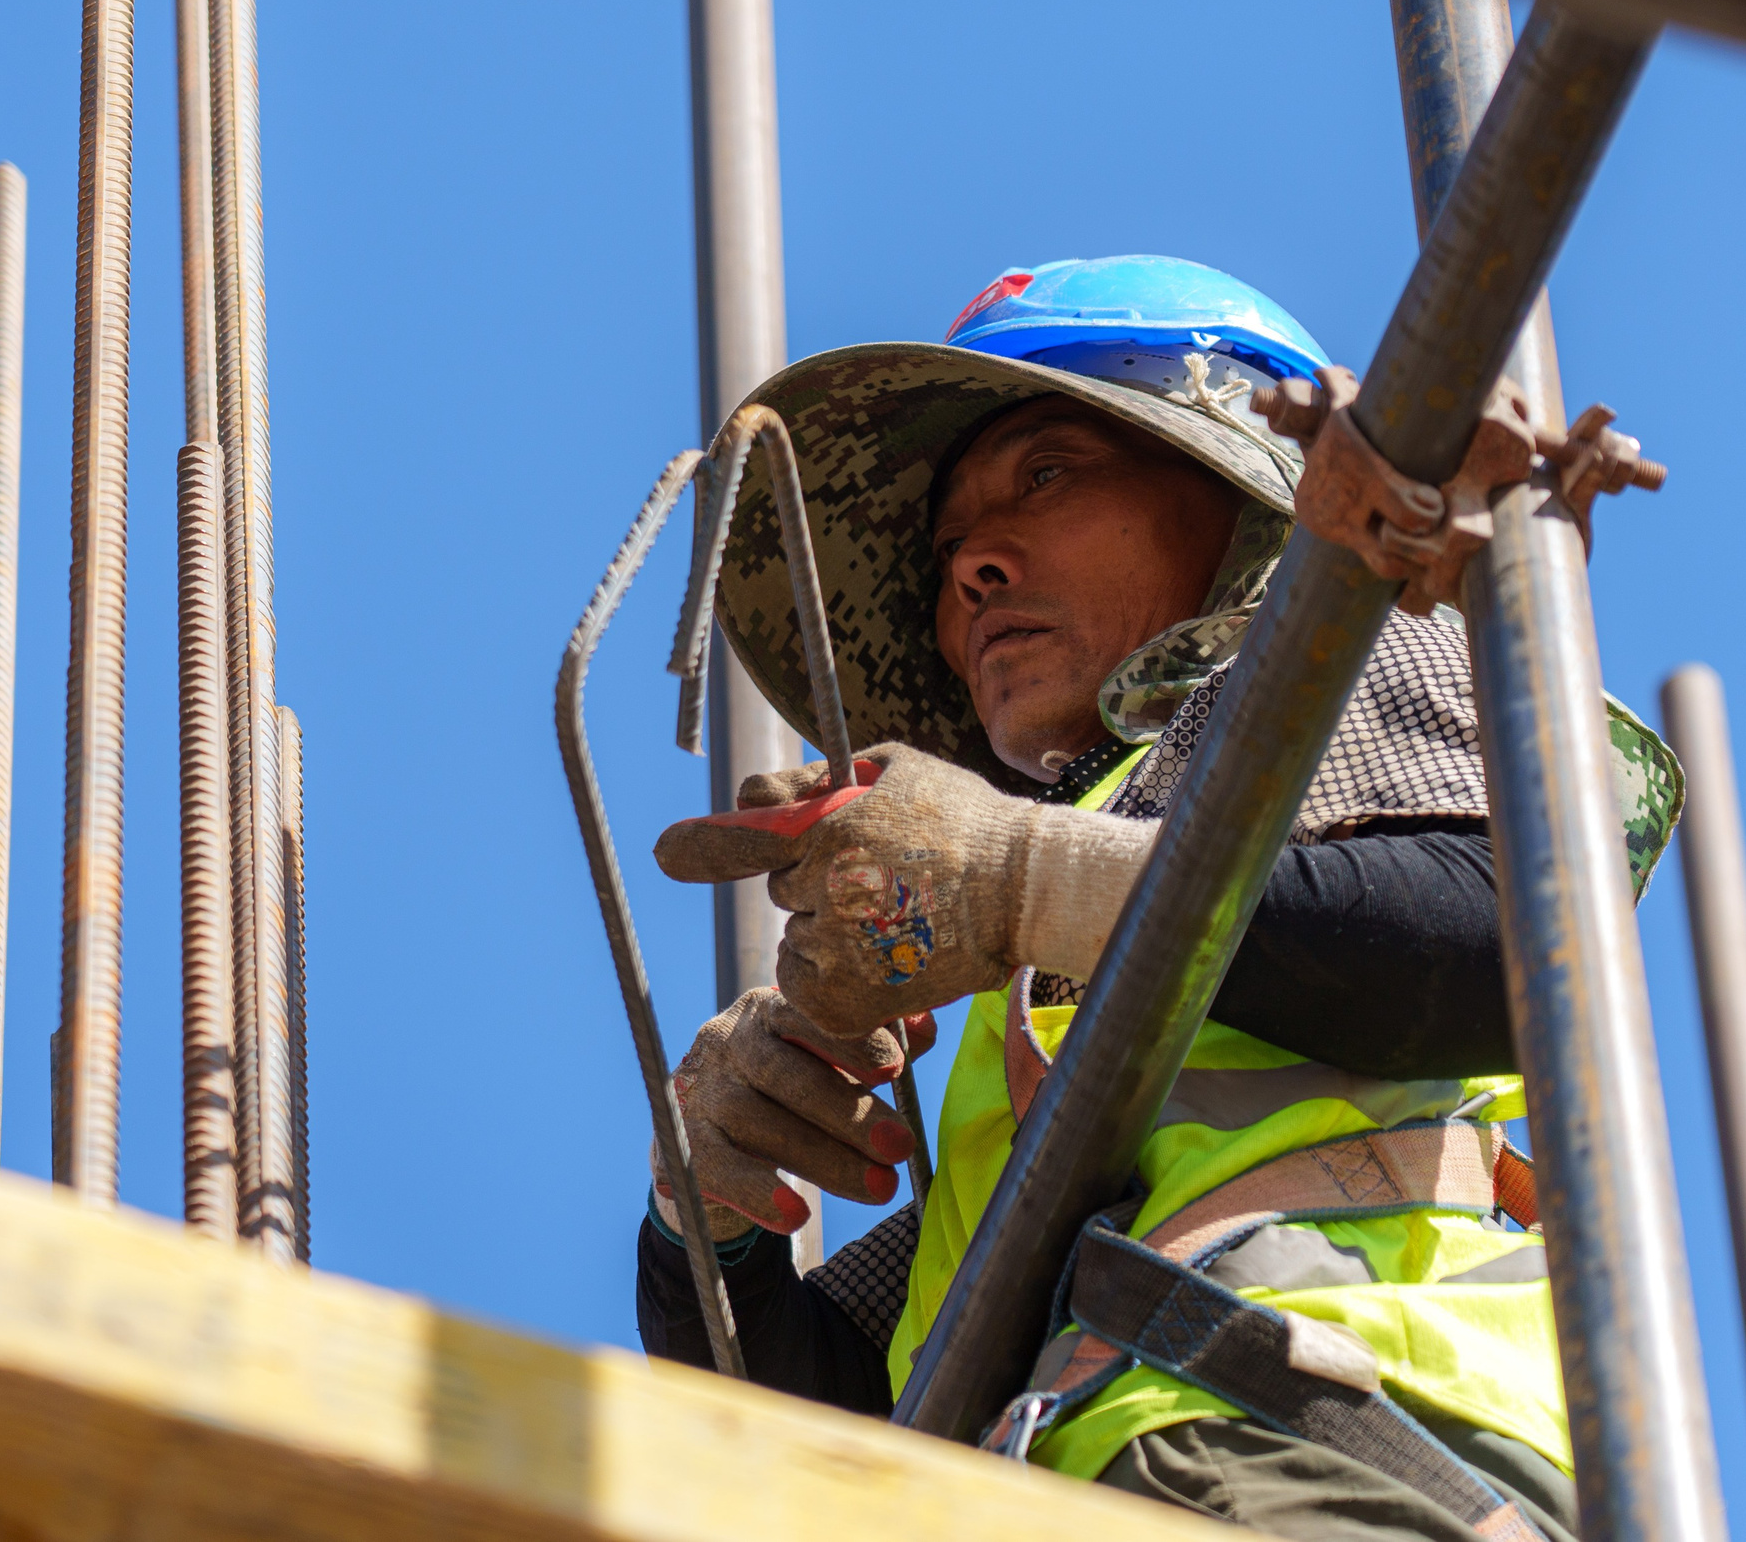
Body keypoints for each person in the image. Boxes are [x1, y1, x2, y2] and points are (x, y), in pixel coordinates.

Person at [631, 256, 1680, 1542]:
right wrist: (711, 1219)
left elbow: (1507, 946)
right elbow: (817, 1423)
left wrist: (1024, 878)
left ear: (1243, 495)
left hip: (1325, 1443)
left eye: (1049, 474)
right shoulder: (1061, 966)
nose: (972, 571)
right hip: (1128, 1466)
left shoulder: (1322, 662)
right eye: (948, 547)